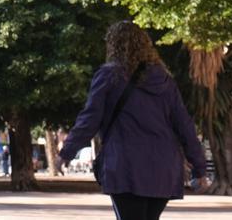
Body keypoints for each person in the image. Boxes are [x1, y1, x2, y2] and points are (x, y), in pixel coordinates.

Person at [57, 21, 208, 220]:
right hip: (163, 167)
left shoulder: (109, 76)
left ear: (113, 45)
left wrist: (66, 153)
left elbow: (89, 119)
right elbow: (184, 125)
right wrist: (200, 168)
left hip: (126, 166)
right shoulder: (164, 79)